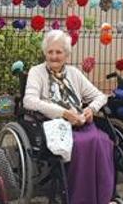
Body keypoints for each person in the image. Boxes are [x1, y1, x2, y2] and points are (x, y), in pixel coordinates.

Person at [23, 30, 114, 204]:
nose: (54, 56)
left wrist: (90, 110)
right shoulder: (37, 72)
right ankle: (80, 199)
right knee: (80, 144)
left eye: (59, 52)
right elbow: (29, 101)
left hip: (80, 122)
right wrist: (63, 113)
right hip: (54, 125)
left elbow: (100, 96)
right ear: (45, 53)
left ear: (66, 54)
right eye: (50, 52)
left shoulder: (74, 73)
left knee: (102, 140)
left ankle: (103, 198)